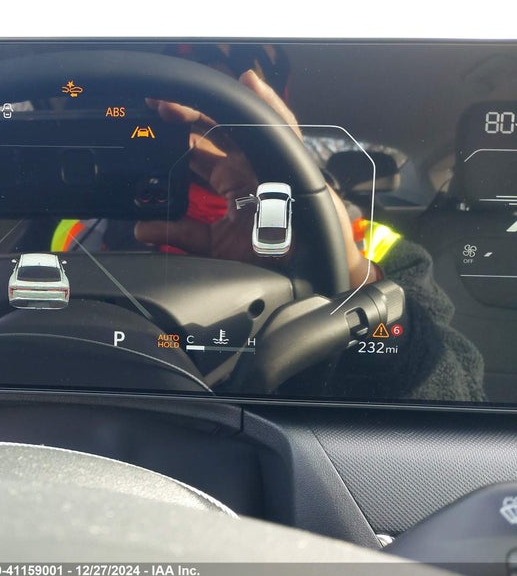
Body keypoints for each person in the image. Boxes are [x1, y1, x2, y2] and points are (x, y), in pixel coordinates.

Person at [128, 45, 485, 402]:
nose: (183, 125)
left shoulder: (372, 244)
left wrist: (348, 273)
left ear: (264, 107)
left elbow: (460, 398)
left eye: (212, 94)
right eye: (159, 118)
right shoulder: (95, 228)